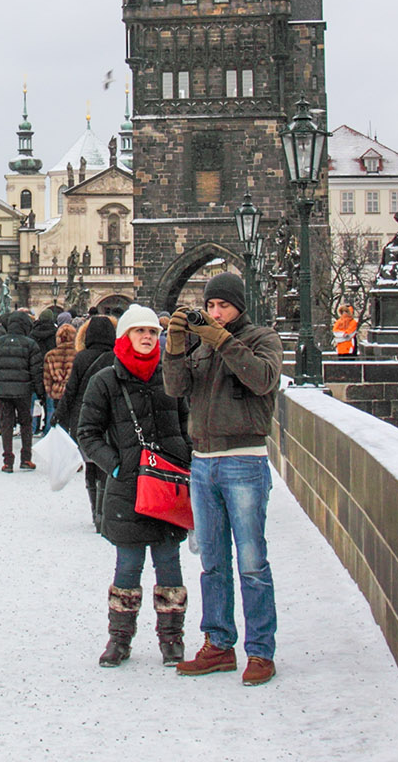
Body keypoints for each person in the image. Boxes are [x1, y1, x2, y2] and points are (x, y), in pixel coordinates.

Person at [163, 273, 285, 687]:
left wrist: (221, 340)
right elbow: (175, 387)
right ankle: (218, 643)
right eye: (211, 306)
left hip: (244, 461)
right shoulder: (201, 343)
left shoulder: (262, 338)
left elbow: (263, 380)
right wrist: (177, 345)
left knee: (251, 562)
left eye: (223, 306)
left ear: (239, 307)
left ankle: (260, 651)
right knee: (212, 562)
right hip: (203, 461)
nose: (215, 313)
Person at [73, 305, 190, 667]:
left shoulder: (172, 376)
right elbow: (87, 434)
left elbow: (188, 424)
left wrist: (183, 459)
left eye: (153, 332)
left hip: (168, 485)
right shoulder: (105, 380)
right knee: (128, 567)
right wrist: (118, 466)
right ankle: (119, 639)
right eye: (140, 331)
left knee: (170, 567)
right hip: (128, 489)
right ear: (124, 336)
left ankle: (172, 640)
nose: (147, 337)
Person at [60, 315, 118, 530]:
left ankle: (95, 511)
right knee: (106, 465)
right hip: (109, 417)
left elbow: (71, 391)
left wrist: (60, 416)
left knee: (90, 466)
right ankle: (104, 512)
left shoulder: (82, 357)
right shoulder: (115, 356)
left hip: (83, 417)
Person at [0, 311, 43, 473]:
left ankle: (8, 461)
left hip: (2, 391)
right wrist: (40, 391)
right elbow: (36, 371)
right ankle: (26, 458)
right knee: (26, 424)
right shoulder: (30, 344)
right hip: (24, 391)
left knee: (7, 424)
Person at [43, 321, 77, 433]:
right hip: (73, 391)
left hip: (57, 391)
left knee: (57, 419)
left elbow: (47, 378)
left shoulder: (51, 355)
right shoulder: (78, 354)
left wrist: (50, 392)